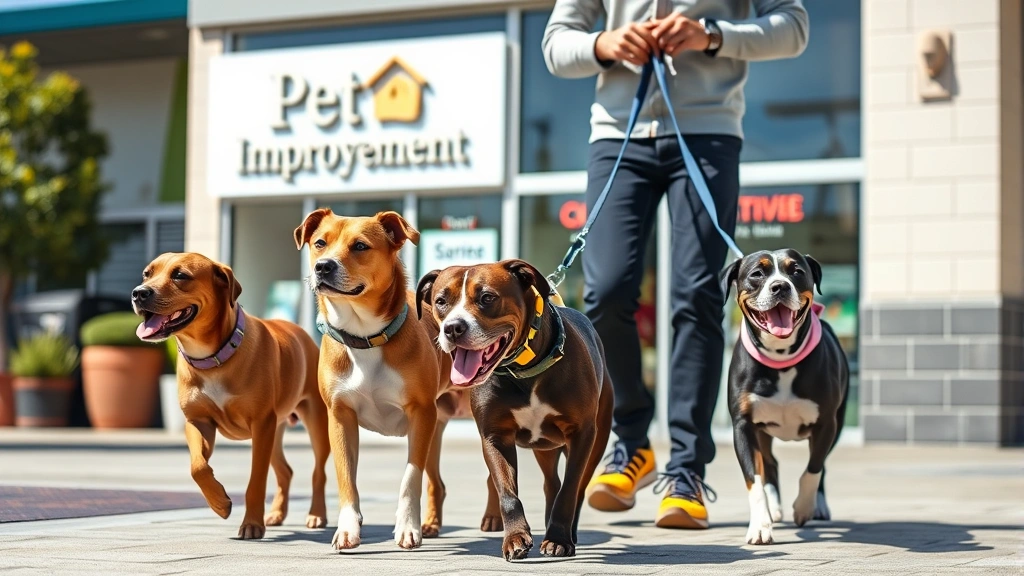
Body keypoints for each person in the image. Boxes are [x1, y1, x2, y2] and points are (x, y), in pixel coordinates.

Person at [542, 0, 809, 530]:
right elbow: (556, 44)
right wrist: (603, 44)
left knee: (697, 296)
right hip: (618, 132)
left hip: (709, 131)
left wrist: (711, 35)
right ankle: (632, 442)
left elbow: (793, 28)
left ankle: (686, 468)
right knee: (605, 291)